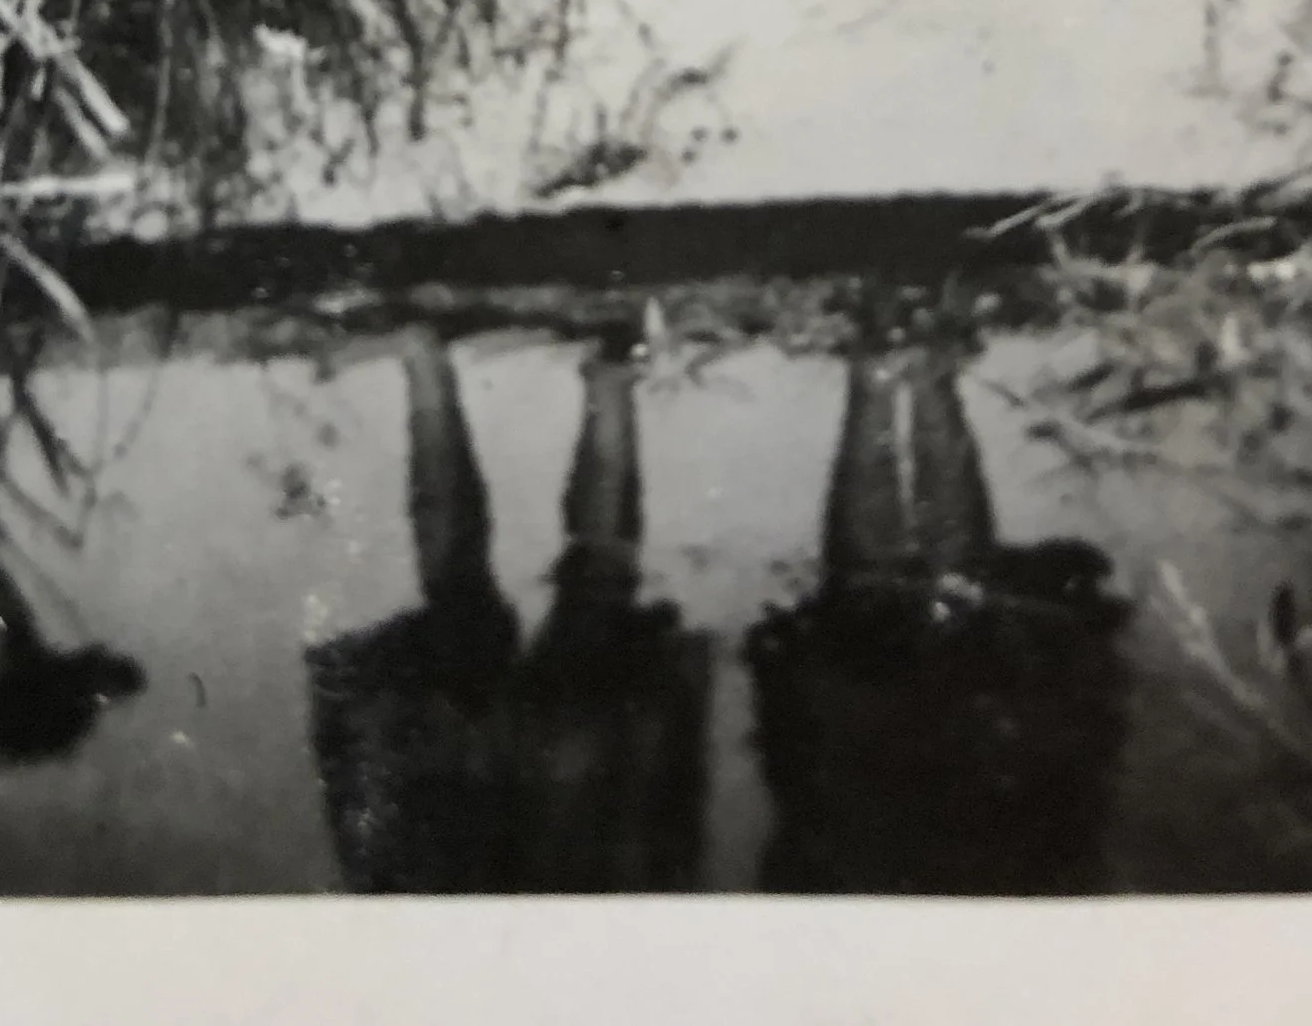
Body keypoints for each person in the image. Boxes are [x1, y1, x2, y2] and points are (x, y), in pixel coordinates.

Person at [303, 323, 710, 892]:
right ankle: (427, 365)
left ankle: (609, 380)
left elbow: (662, 835)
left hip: (563, 771)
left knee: (591, 581)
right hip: (498, 769)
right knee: (465, 582)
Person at [744, 339, 1130, 894]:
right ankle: (906, 376)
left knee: (888, 584)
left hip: (889, 736)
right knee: (920, 580)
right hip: (935, 734)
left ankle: (898, 375)